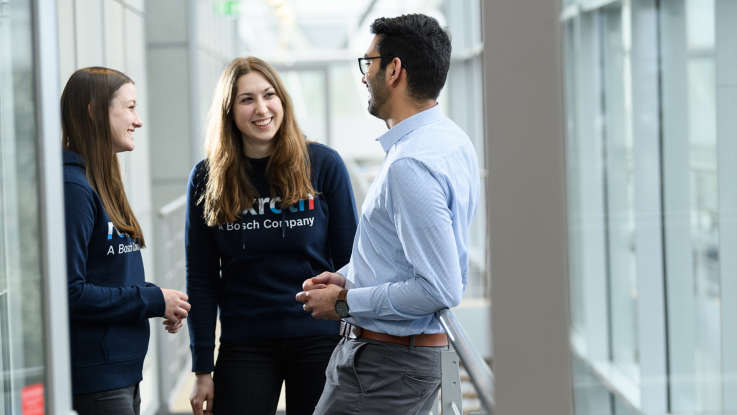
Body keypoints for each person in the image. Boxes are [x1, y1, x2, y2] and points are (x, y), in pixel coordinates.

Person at [296, 14, 480, 415]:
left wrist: (344, 302)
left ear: (394, 69)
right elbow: (408, 254)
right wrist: (349, 276)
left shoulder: (411, 163)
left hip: (384, 368)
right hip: (391, 365)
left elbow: (438, 288)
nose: (364, 77)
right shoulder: (450, 140)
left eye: (369, 63)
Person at [186, 57, 358, 415]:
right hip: (245, 340)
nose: (261, 108)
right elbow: (202, 278)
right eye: (246, 99)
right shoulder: (207, 178)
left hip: (318, 335)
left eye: (269, 95)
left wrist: (355, 338)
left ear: (282, 100)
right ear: (229, 111)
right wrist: (202, 367)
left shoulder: (323, 165)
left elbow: (352, 263)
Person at [62, 67, 191, 415]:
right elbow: (69, 292)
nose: (138, 120)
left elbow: (105, 274)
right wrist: (150, 300)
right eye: (130, 107)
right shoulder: (74, 188)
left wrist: (161, 298)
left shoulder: (99, 181)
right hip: (98, 381)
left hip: (122, 376)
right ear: (94, 111)